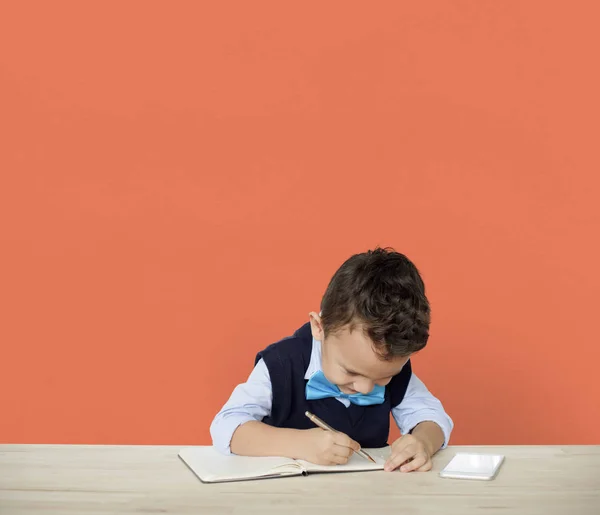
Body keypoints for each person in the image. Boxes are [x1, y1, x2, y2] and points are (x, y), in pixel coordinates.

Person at [210, 248, 453, 472]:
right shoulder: (281, 364)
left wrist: (422, 441)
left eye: (383, 378)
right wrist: (299, 444)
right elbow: (225, 427)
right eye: (350, 371)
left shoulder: (392, 365)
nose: (365, 388)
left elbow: (432, 417)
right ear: (319, 327)